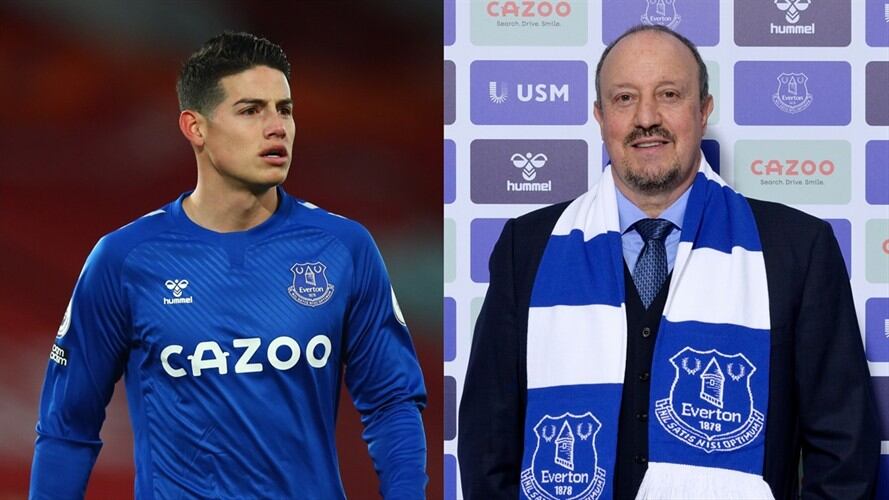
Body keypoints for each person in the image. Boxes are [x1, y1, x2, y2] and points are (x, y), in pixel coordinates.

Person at [458, 25, 879, 500]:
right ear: (600, 116)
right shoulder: (527, 247)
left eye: (669, 94)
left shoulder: (797, 248)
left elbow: (844, 451)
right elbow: (486, 443)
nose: (646, 118)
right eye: (624, 98)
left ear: (703, 110)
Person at [30, 32, 427, 499]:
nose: (277, 127)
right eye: (251, 110)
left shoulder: (343, 247)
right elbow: (66, 427)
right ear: (195, 127)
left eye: (285, 109)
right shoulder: (126, 259)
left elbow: (392, 401)